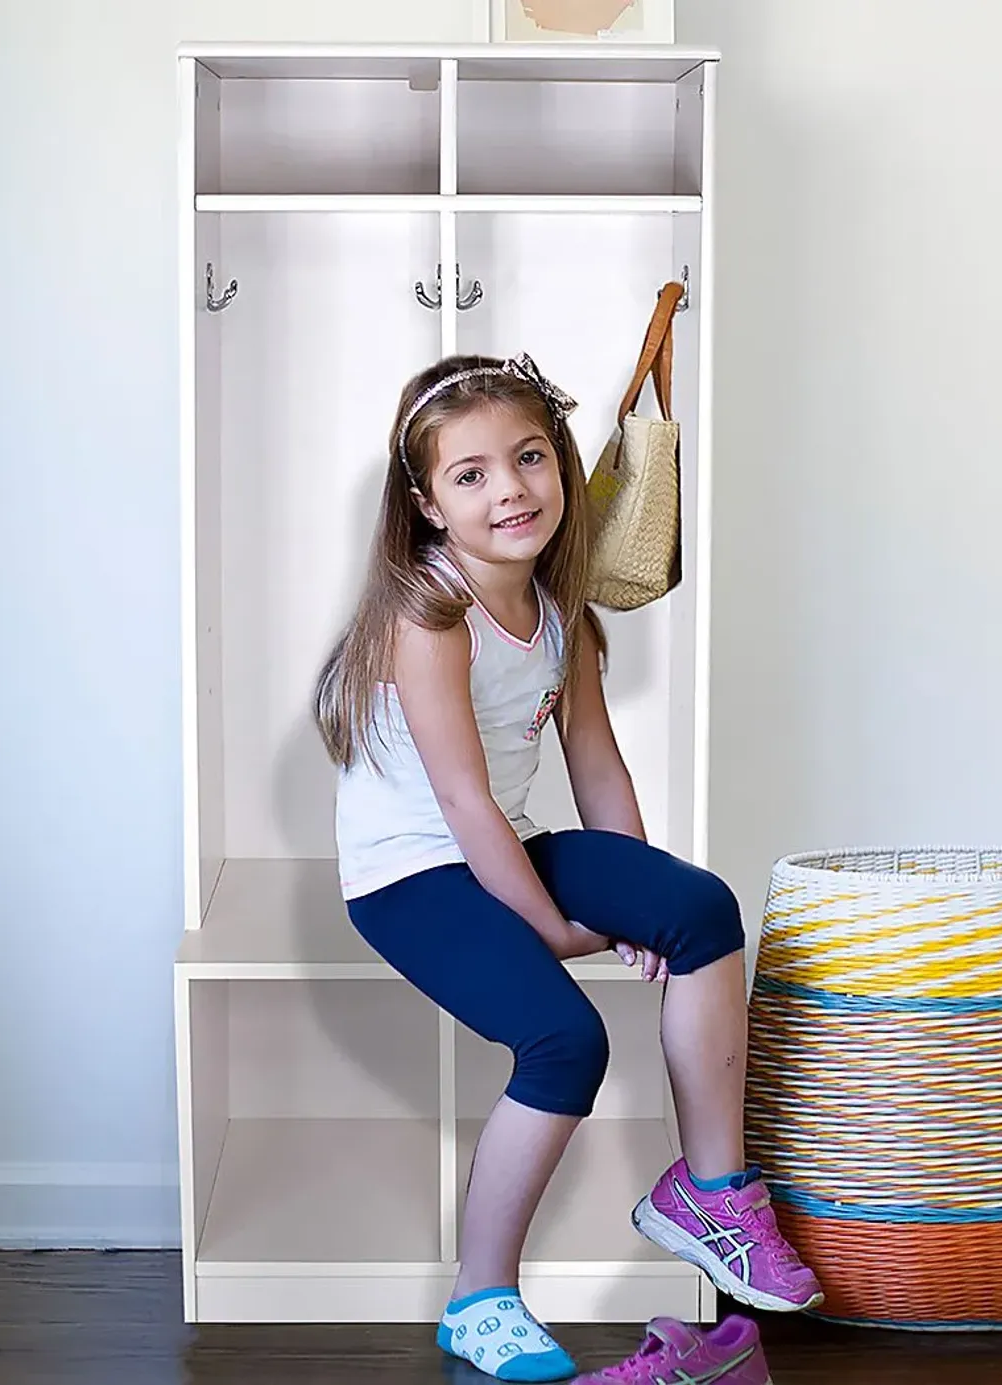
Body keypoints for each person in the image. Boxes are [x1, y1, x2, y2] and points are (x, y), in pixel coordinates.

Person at [313, 353, 821, 1383]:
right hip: (408, 874)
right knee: (563, 1034)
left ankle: (713, 1191)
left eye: (530, 457)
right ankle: (479, 1296)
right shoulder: (430, 616)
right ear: (427, 505)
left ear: (561, 466)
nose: (510, 488)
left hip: (497, 838)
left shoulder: (561, 611)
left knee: (699, 903)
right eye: (471, 474)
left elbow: (595, 757)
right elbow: (458, 802)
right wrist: (550, 927)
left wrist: (631, 892)